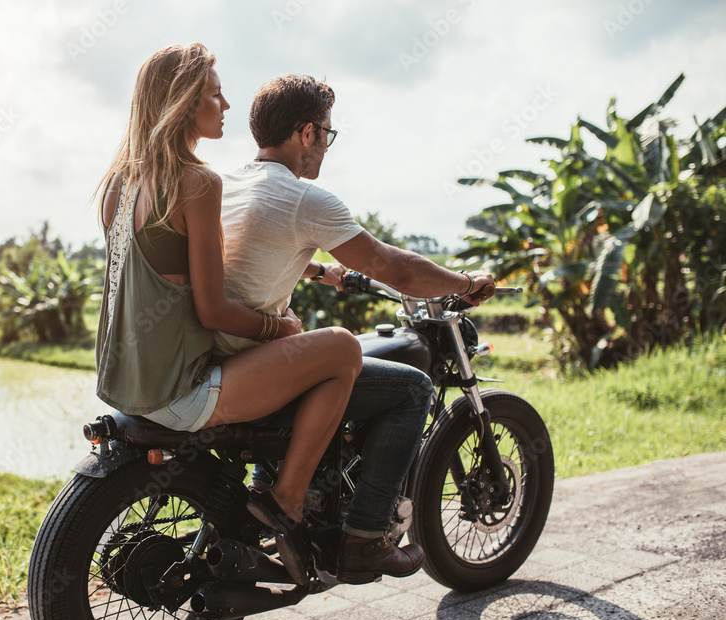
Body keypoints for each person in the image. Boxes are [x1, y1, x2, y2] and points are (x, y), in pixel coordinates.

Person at [93, 45, 361, 580]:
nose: (226, 104)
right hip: (180, 390)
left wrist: (316, 271)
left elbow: (181, 265)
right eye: (214, 93)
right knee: (343, 349)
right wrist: (278, 326)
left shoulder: (120, 182)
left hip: (125, 383)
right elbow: (213, 309)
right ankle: (285, 500)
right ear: (184, 102)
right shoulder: (199, 182)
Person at [216, 74, 496, 584]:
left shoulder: (227, 185)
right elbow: (399, 268)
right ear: (307, 134)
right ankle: (366, 539)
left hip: (219, 360)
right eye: (327, 132)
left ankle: (282, 495)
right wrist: (465, 281)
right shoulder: (306, 198)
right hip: (250, 366)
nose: (326, 144)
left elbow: (254, 247)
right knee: (412, 389)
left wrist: (323, 271)